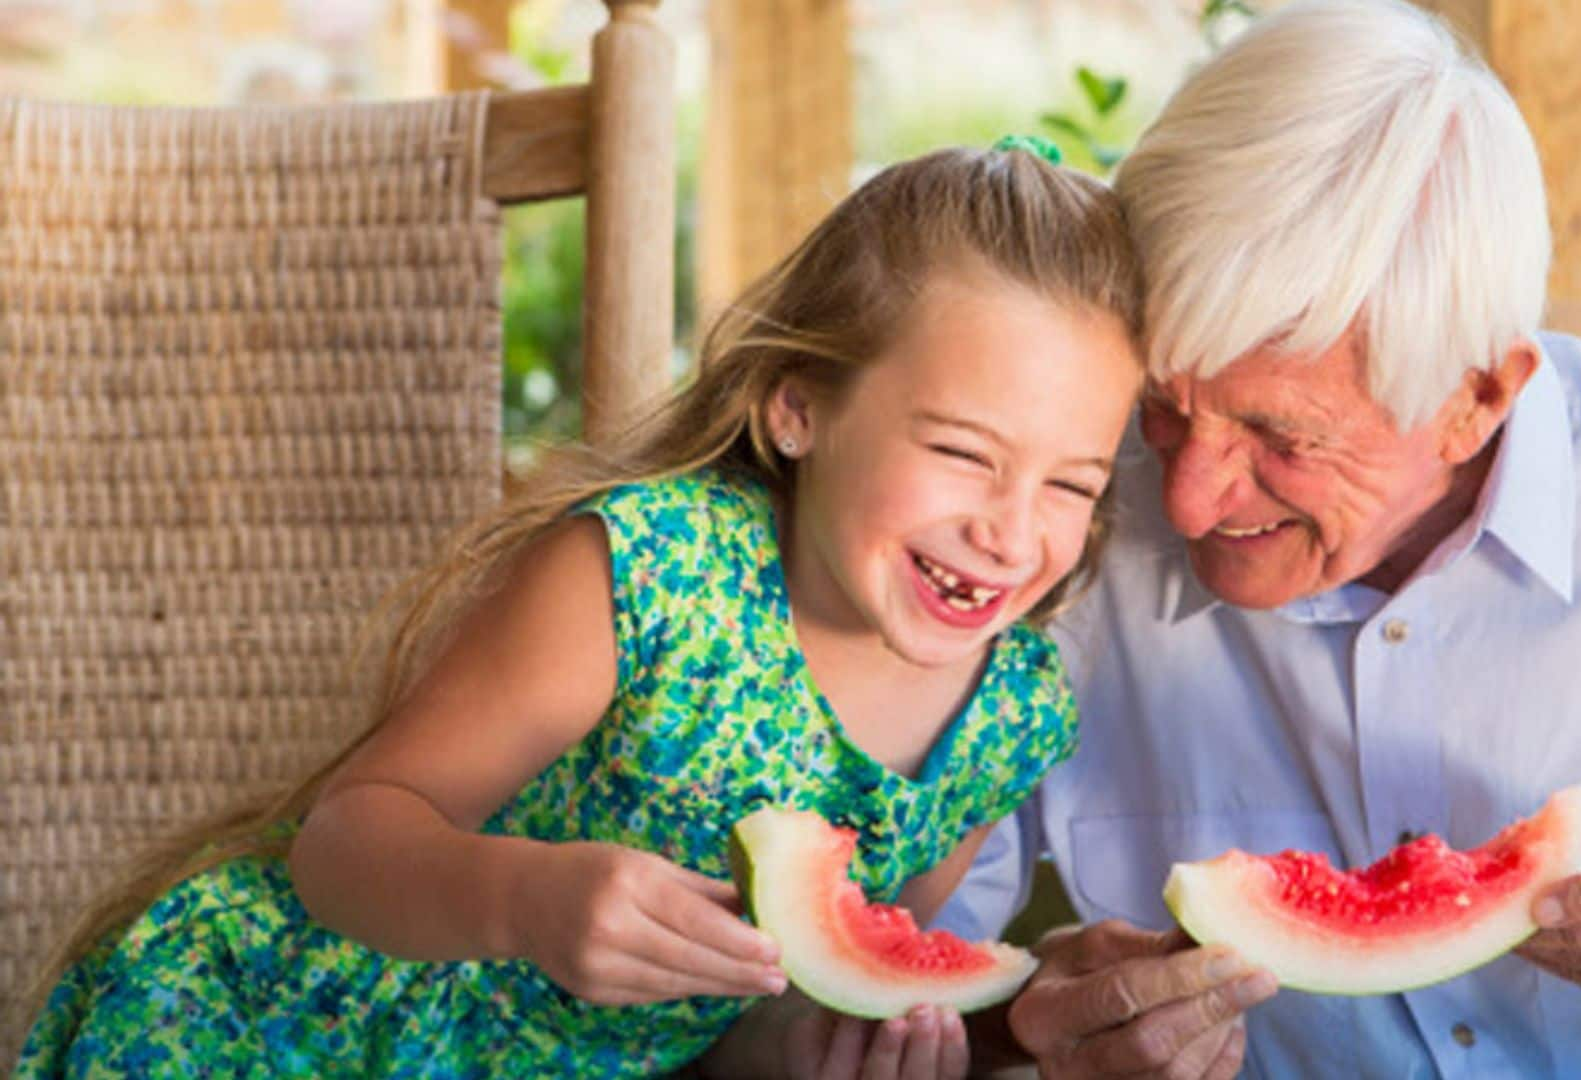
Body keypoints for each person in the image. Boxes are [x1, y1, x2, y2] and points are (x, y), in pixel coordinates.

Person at [932, 2, 1581, 1077]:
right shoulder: (1050, 513)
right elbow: (888, 989)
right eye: (1164, 407)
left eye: (1280, 436)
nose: (1186, 501)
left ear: (1480, 396)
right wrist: (1019, 1027)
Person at [13, 143, 1145, 1079]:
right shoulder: (648, 572)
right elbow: (345, 843)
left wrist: (819, 1048)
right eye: (961, 452)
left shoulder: (1005, 722)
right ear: (797, 408)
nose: (1010, 530)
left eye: (1072, 485)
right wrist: (525, 900)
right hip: (277, 1029)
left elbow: (763, 1011)